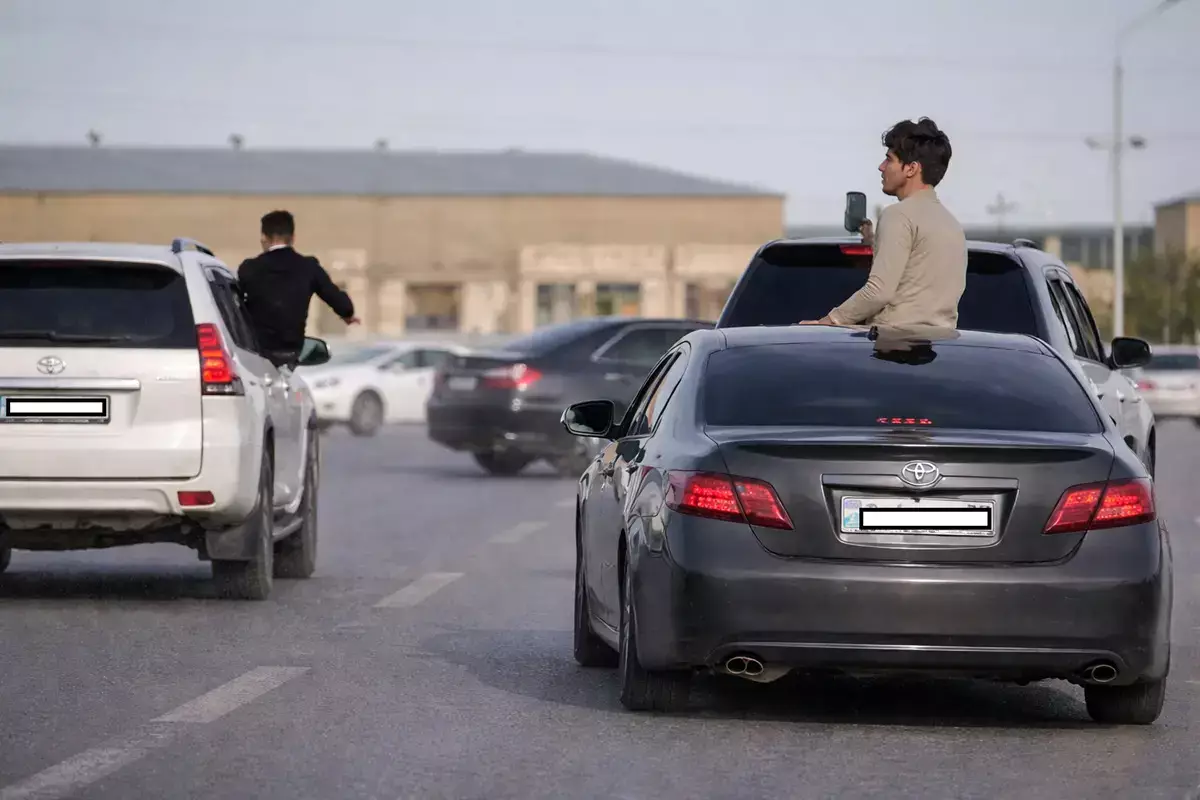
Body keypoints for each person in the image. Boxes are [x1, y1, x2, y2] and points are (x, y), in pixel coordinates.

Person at [801, 117, 966, 329]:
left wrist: (827, 322)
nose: (881, 167)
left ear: (911, 169)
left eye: (889, 159)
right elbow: (915, 283)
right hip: (942, 348)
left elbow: (878, 292)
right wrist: (874, 244)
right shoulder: (951, 224)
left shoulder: (898, 215)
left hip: (893, 349)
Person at [237, 210, 359, 369]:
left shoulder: (249, 269)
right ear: (293, 238)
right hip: (291, 351)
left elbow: (235, 301)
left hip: (256, 351)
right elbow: (334, 296)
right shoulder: (309, 267)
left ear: (264, 238)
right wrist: (347, 314)